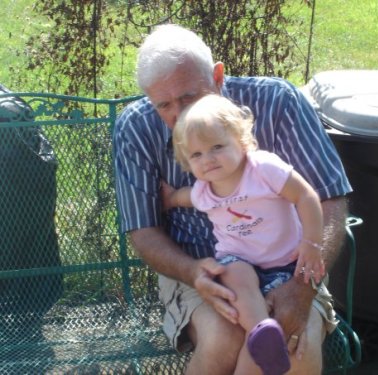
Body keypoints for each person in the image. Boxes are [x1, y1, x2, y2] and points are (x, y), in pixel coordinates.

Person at [113, 23, 352, 375]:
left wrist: (304, 287)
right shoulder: (136, 127)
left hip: (292, 265)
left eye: (189, 98)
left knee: (293, 350)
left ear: (218, 76)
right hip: (204, 266)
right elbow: (143, 231)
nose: (179, 115)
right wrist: (193, 272)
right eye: (164, 104)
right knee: (224, 341)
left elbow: (329, 199)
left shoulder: (278, 102)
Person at [161, 94, 328, 374]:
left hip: (284, 265)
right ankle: (262, 330)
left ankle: (264, 343)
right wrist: (169, 198)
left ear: (241, 141)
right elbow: (185, 197)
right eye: (197, 155)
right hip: (238, 263)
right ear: (188, 163)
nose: (208, 159)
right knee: (232, 273)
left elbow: (306, 196)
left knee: (257, 357)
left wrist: (311, 243)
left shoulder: (263, 169)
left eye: (216, 147)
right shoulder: (204, 190)